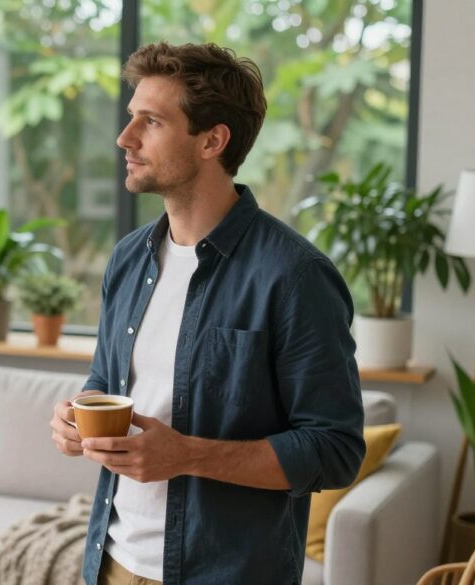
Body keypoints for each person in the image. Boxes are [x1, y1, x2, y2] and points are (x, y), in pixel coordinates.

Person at [49, 41, 365, 585]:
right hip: (112, 561)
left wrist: (187, 456)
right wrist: (75, 418)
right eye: (132, 119)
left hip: (228, 572)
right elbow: (108, 381)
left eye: (151, 122)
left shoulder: (295, 275)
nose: (125, 138)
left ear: (212, 140)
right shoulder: (128, 258)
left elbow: (334, 450)